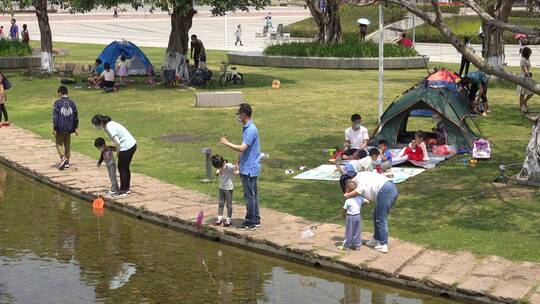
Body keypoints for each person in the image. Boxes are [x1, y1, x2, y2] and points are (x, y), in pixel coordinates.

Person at [220, 103, 261, 230]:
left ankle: (250, 222)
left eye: (239, 114)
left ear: (244, 115)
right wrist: (239, 161)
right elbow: (245, 149)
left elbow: (243, 147)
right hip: (249, 165)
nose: (238, 116)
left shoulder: (250, 129)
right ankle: (256, 219)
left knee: (249, 195)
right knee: (253, 194)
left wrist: (226, 143)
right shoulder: (247, 128)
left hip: (249, 168)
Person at [344, 171, 399, 253]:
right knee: (376, 215)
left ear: (351, 179)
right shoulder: (362, 174)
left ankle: (383, 244)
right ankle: (376, 238)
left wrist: (348, 195)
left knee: (381, 218)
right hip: (389, 188)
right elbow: (367, 197)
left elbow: (360, 189)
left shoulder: (359, 179)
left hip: (385, 190)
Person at [92, 115, 137, 197]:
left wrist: (118, 152)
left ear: (101, 122)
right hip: (132, 144)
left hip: (127, 146)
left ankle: (123, 190)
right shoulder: (109, 124)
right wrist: (113, 148)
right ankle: (126, 189)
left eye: (96, 124)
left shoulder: (109, 127)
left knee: (122, 168)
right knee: (125, 167)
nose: (96, 126)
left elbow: (118, 142)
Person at [53, 86, 79, 170]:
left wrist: (55, 128)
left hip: (60, 127)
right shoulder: (72, 103)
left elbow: (55, 117)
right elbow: (76, 116)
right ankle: (67, 161)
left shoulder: (57, 103)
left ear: (60, 93)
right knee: (67, 143)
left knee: (59, 143)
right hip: (70, 127)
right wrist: (76, 127)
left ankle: (63, 158)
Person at [338, 180, 368, 251]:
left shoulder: (348, 201)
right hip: (358, 216)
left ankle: (347, 246)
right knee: (357, 231)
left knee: (349, 231)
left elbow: (344, 210)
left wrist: (343, 216)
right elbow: (367, 201)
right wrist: (360, 204)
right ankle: (357, 245)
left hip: (350, 217)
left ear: (347, 190)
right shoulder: (360, 198)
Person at [212, 155, 239, 227]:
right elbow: (218, 170)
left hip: (228, 188)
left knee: (228, 205)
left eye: (219, 167)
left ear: (223, 163)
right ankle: (219, 219)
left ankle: (228, 220)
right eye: (218, 167)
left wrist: (237, 166)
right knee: (220, 203)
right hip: (221, 187)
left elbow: (235, 168)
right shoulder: (219, 166)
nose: (219, 168)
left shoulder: (229, 166)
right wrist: (217, 172)